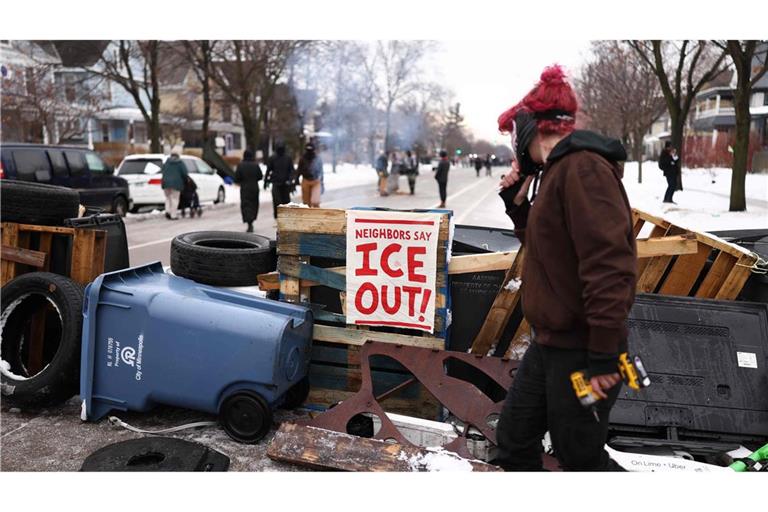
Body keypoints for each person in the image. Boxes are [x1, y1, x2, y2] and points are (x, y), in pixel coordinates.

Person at [492, 65, 637, 471]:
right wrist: (517, 205)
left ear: (530, 129)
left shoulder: (584, 169)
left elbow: (610, 267)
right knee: (515, 441)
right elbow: (550, 253)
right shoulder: (557, 172)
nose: (511, 150)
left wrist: (604, 359)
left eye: (511, 138)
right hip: (552, 344)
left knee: (580, 458)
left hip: (584, 350)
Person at [264, 142, 296, 219]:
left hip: (285, 183)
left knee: (286, 201)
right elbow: (268, 170)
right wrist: (266, 181)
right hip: (276, 183)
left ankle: (286, 216)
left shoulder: (288, 158)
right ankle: (277, 216)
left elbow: (291, 170)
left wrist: (290, 180)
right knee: (277, 201)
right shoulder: (273, 158)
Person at [234, 149, 263, 232]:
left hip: (245, 188)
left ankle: (249, 222)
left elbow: (237, 178)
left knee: (246, 205)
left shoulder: (240, 165)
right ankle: (252, 220)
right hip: (254, 187)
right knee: (254, 204)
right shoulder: (255, 165)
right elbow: (260, 176)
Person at [160, 145, 188, 221]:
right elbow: (184, 173)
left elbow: (163, 171)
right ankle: (173, 215)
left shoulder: (167, 162)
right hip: (176, 184)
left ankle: (167, 211)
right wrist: (186, 181)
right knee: (175, 199)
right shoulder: (180, 163)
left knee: (168, 198)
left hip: (166, 183)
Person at [297, 142, 323, 207]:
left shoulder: (318, 158)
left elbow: (321, 171)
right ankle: (307, 216)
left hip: (316, 181)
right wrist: (296, 179)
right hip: (306, 180)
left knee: (315, 202)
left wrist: (322, 183)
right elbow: (299, 170)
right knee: (306, 203)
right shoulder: (302, 158)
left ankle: (317, 216)